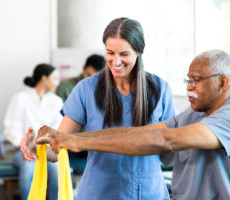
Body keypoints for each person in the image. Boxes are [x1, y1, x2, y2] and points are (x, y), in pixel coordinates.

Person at [42, 49, 230, 200]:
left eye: (196, 80)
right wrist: (71, 138)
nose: (189, 88)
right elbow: (138, 132)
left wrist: (81, 144)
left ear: (223, 82)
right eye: (188, 80)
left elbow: (164, 141)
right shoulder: (193, 116)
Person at [21, 17, 176, 200]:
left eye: (124, 54)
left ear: (139, 52)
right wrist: (34, 145)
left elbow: (169, 156)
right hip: (99, 191)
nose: (116, 62)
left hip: (147, 191)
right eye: (110, 52)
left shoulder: (160, 89)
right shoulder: (86, 89)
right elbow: (57, 149)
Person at [3, 63, 63, 200]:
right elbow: (11, 129)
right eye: (55, 79)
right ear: (44, 78)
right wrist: (26, 146)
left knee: (57, 171)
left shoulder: (57, 101)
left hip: (47, 151)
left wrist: (41, 148)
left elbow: (57, 131)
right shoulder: (20, 98)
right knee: (28, 170)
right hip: (23, 151)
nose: (57, 83)